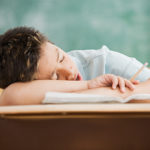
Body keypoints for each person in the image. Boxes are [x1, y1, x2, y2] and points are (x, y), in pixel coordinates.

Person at [0, 26, 150, 105]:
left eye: (61, 58)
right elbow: (12, 95)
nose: (69, 71)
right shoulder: (21, 94)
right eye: (55, 77)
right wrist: (89, 86)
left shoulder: (104, 61)